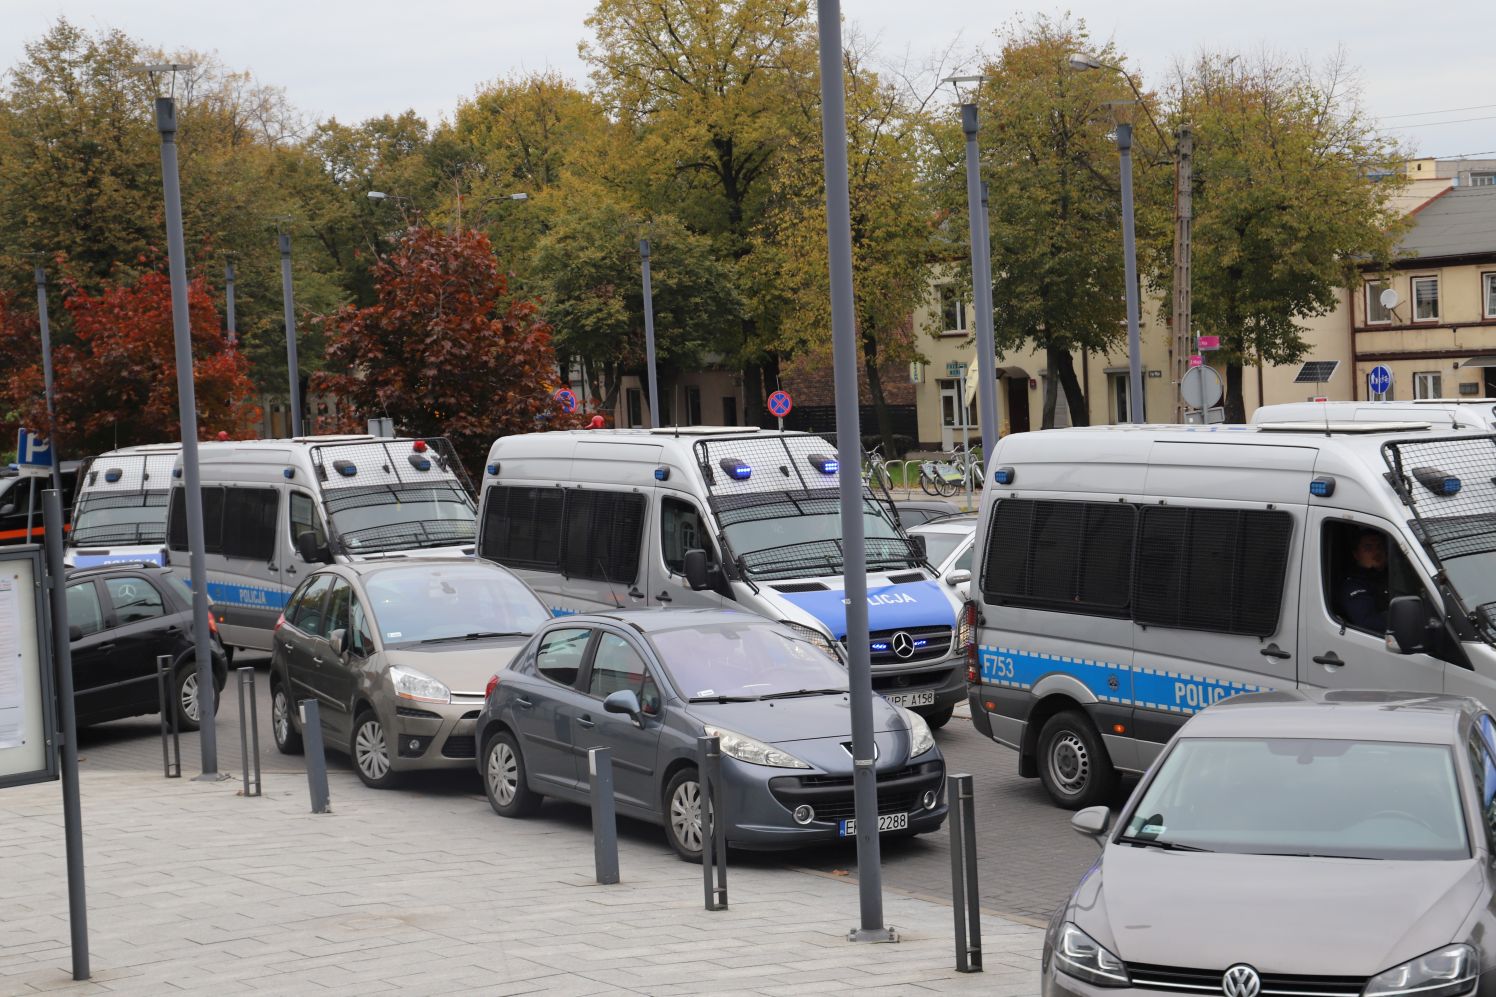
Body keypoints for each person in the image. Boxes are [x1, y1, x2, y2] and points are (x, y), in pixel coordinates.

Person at [1337, 529, 1390, 632]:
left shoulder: (1396, 573)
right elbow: (1367, 622)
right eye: (1368, 548)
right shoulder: (1353, 585)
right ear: (1356, 555)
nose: (1377, 552)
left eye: (1379, 546)